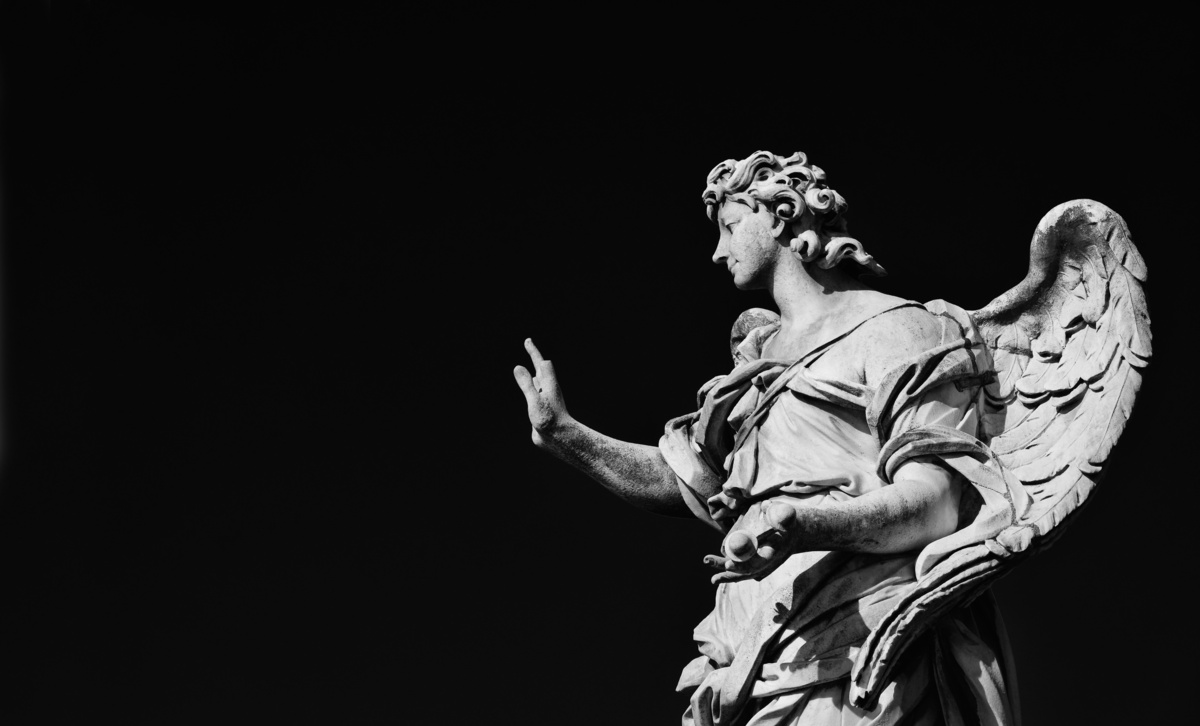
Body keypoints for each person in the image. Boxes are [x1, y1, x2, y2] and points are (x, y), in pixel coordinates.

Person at [514, 151, 1024, 725]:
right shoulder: (754, 365)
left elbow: (937, 504)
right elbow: (689, 478)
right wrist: (566, 435)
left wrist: (804, 522)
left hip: (863, 641)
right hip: (751, 650)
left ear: (782, 214)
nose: (718, 249)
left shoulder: (895, 328)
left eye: (731, 226)